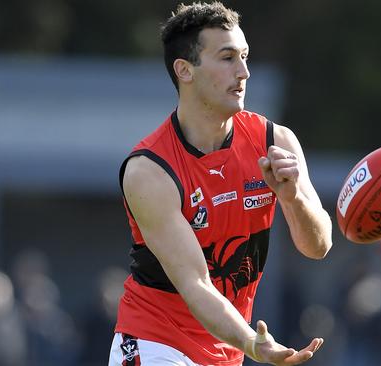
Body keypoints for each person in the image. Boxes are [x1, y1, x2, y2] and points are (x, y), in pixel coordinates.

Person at [108, 2, 332, 366]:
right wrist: (254, 344)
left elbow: (318, 246)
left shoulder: (277, 141)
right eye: (227, 58)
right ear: (185, 70)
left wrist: (292, 200)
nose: (244, 71)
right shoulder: (149, 170)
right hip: (154, 342)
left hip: (227, 350)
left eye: (244, 57)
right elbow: (196, 285)